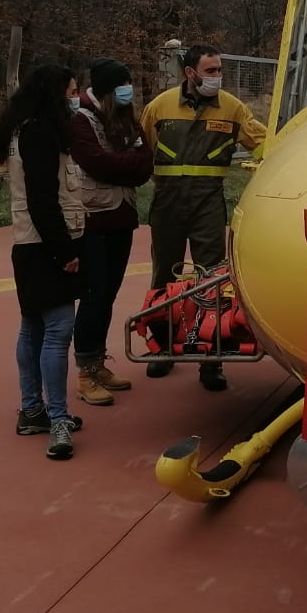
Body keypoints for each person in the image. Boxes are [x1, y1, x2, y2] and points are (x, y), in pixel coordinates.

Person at [140, 43, 267, 391]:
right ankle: (163, 348)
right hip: (167, 201)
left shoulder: (232, 108)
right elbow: (144, 148)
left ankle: (211, 361)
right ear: (190, 73)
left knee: (211, 280)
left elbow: (264, 144)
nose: (216, 77)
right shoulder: (160, 107)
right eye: (210, 71)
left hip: (208, 202)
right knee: (164, 276)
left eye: (219, 70)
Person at [0, 63, 85, 461]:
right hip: (46, 241)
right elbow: (43, 199)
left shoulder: (21, 128)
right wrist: (65, 252)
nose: (75, 100)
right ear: (54, 94)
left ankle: (32, 409)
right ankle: (58, 418)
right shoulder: (42, 132)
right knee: (58, 329)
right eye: (71, 93)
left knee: (32, 324)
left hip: (26, 241)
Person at [68, 57, 153, 406]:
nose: (127, 90)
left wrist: (124, 166)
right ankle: (85, 371)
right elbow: (95, 163)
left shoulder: (125, 118)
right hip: (93, 218)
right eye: (122, 85)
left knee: (109, 294)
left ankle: (98, 362)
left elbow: (145, 164)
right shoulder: (81, 119)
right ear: (105, 90)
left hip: (121, 217)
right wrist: (125, 165)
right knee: (94, 294)